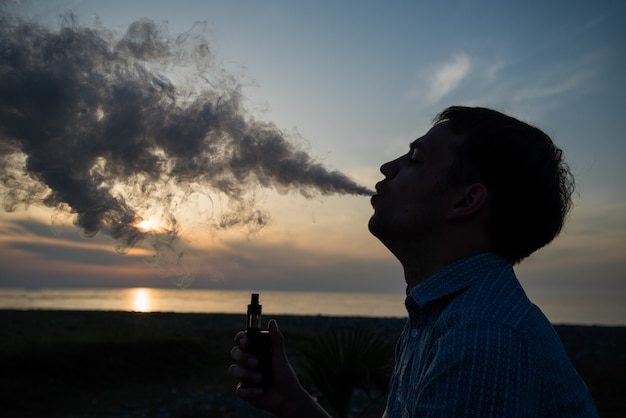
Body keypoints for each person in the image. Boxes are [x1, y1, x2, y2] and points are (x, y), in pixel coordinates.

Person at [228, 106, 599, 417]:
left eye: (416, 159)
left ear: (465, 202)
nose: (387, 166)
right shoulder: (441, 313)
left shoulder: (482, 338)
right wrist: (294, 403)